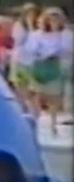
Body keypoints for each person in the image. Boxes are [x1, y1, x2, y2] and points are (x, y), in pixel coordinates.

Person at [28, 7, 69, 136]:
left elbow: (68, 50)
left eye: (56, 19)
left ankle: (53, 123)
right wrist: (39, 54)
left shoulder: (65, 35)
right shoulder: (37, 34)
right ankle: (35, 120)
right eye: (51, 19)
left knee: (54, 97)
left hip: (55, 66)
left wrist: (59, 54)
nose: (53, 22)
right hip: (40, 66)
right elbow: (30, 49)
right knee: (37, 94)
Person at [9, 3, 39, 114]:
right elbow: (18, 41)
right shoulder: (19, 25)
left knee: (31, 88)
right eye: (28, 13)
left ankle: (33, 110)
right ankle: (21, 108)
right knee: (19, 84)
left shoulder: (38, 26)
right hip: (19, 59)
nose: (31, 15)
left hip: (32, 61)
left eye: (33, 13)